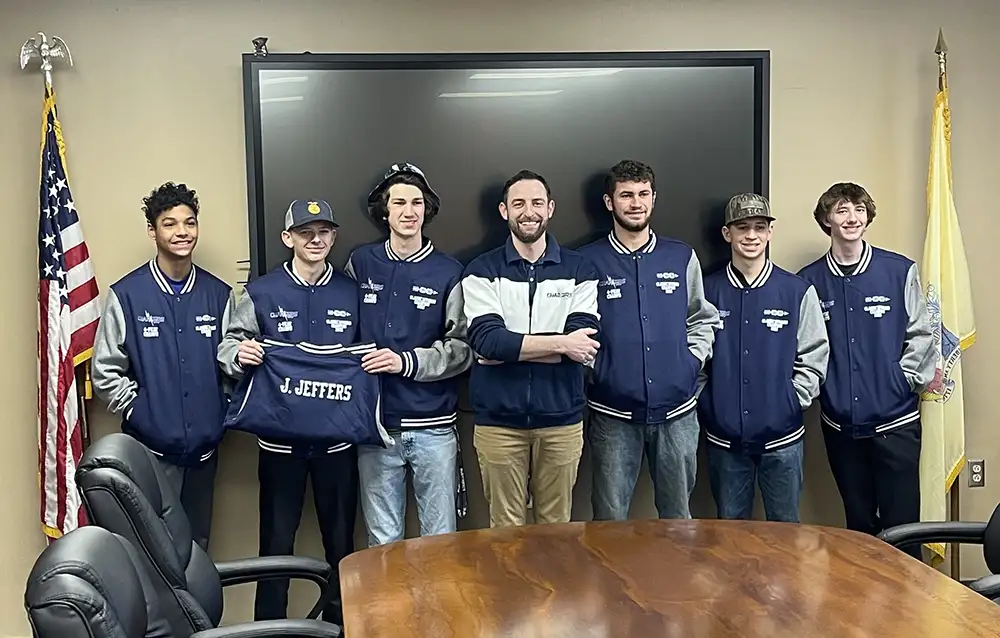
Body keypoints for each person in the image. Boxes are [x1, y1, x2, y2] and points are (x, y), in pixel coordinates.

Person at [216, 199, 360, 624]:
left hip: (337, 445)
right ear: (287, 238)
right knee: (276, 549)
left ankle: (341, 629)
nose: (316, 240)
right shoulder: (261, 292)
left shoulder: (352, 291)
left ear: (333, 237)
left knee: (342, 549)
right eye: (305, 233)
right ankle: (270, 631)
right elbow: (228, 346)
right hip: (280, 446)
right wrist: (239, 354)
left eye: (324, 232)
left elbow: (368, 353)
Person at [92, 182, 232, 552]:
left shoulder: (218, 295)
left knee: (198, 548)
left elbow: (231, 366)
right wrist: (139, 411)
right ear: (152, 231)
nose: (182, 232)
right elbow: (104, 370)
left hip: (204, 453)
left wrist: (220, 410)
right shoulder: (127, 295)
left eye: (189, 222)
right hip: (150, 453)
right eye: (169, 224)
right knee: (153, 551)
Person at [797, 182, 935, 558]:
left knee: (904, 531)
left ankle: (908, 596)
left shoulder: (898, 271)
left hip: (896, 423)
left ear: (868, 216)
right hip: (841, 428)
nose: (852, 218)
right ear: (826, 220)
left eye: (858, 209)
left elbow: (922, 335)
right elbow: (805, 348)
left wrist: (900, 381)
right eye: (841, 210)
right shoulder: (808, 281)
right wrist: (825, 392)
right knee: (858, 529)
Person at [576, 159, 719, 521]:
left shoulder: (681, 256)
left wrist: (690, 362)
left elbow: (702, 318)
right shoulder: (586, 262)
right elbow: (573, 330)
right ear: (609, 202)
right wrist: (600, 370)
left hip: (677, 414)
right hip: (612, 414)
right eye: (626, 195)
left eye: (643, 194)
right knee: (609, 521)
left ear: (654, 199)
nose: (636, 203)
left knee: (677, 519)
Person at [461, 169, 600, 528]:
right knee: (505, 533)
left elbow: (584, 345)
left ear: (550, 208)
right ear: (504, 211)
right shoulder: (481, 270)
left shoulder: (581, 270)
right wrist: (561, 344)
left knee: (556, 529)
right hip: (498, 425)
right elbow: (487, 341)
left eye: (537, 203)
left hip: (561, 423)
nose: (528, 212)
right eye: (518, 203)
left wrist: (513, 348)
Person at [345, 163, 472, 546]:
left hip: (434, 428)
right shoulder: (360, 263)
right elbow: (340, 332)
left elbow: (462, 348)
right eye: (399, 202)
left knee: (440, 543)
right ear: (385, 211)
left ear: (426, 209)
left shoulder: (449, 271)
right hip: (375, 428)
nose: (408, 211)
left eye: (416, 202)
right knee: (383, 543)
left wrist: (406, 362)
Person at [697, 193, 829, 523]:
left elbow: (815, 354)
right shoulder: (707, 291)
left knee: (785, 533)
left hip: (783, 438)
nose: (751, 236)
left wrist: (791, 400)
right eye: (742, 227)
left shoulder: (796, 291)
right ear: (727, 233)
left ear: (770, 232)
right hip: (724, 439)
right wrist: (708, 401)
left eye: (759, 227)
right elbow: (693, 356)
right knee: (730, 533)